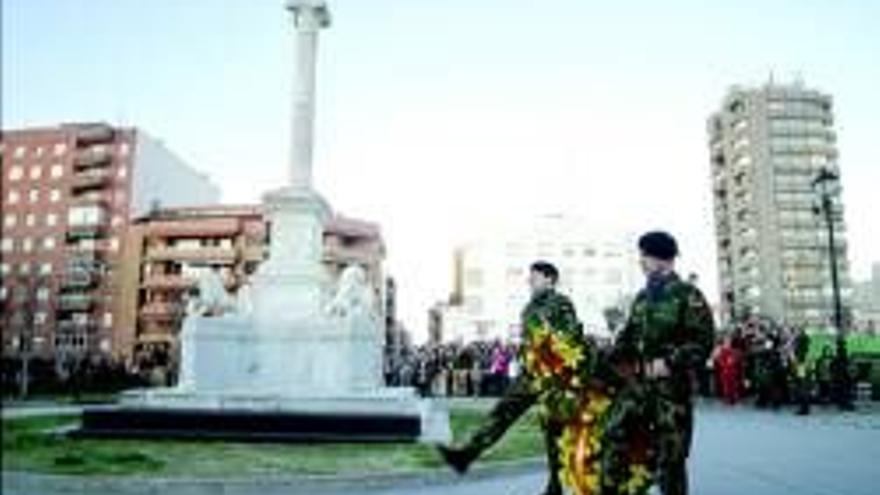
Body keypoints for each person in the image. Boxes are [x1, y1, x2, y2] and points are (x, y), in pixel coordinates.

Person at [436, 261, 582, 495]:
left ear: (550, 279)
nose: (529, 281)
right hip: (530, 373)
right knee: (502, 411)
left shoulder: (561, 304)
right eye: (530, 277)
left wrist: (555, 362)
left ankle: (555, 486)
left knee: (553, 431)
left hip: (553, 376)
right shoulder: (529, 308)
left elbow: (571, 337)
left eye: (534, 277)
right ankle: (466, 455)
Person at [609, 231, 715, 495]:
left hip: (671, 392)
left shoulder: (688, 295)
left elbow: (702, 342)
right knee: (613, 434)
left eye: (644, 255)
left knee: (671, 459)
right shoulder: (642, 298)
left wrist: (670, 361)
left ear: (662, 258)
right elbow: (628, 337)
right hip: (639, 388)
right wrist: (612, 356)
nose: (640, 261)